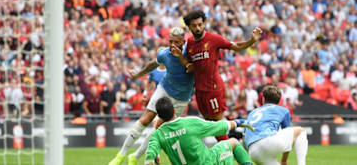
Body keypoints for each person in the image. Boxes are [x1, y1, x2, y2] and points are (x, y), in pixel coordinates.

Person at [109, 27, 194, 165]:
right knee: (146, 118)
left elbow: (194, 68)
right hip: (164, 89)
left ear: (183, 42)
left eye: (176, 42)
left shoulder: (190, 53)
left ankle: (135, 157)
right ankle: (120, 155)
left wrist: (181, 57)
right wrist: (138, 74)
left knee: (159, 130)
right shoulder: (164, 53)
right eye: (170, 41)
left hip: (181, 98)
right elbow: (151, 65)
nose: (173, 45)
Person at [176, 10, 262, 141]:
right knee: (211, 125)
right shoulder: (190, 44)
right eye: (194, 25)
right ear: (189, 27)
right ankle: (235, 138)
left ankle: (233, 151)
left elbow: (236, 46)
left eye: (200, 24)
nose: (198, 28)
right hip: (199, 91)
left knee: (217, 125)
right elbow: (189, 65)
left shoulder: (213, 39)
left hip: (213, 88)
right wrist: (180, 58)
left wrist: (251, 41)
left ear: (204, 23)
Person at [145, 97, 254, 165]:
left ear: (159, 116)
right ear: (174, 110)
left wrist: (154, 156)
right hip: (209, 162)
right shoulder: (190, 123)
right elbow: (219, 127)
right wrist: (238, 122)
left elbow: (149, 157)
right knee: (234, 142)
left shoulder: (157, 135)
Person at [244, 85, 308, 165]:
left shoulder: (252, 113)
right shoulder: (283, 110)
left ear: (263, 99)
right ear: (279, 100)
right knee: (300, 131)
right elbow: (288, 138)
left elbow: (244, 136)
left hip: (253, 152)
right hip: (267, 141)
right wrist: (284, 160)